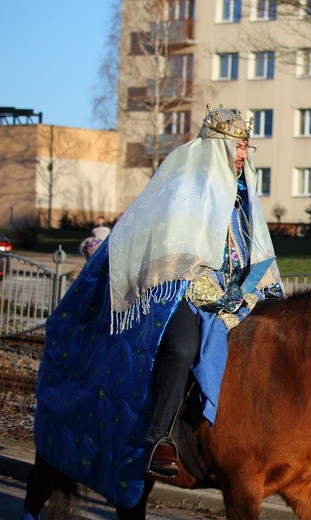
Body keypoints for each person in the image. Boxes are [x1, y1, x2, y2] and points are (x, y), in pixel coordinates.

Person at [35, 105, 282, 504]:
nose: (244, 154)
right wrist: (208, 291)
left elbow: (253, 249)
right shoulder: (187, 184)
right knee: (182, 348)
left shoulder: (243, 193)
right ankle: (160, 438)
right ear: (218, 146)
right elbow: (171, 249)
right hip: (180, 291)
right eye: (238, 146)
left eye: (246, 147)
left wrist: (259, 288)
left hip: (235, 295)